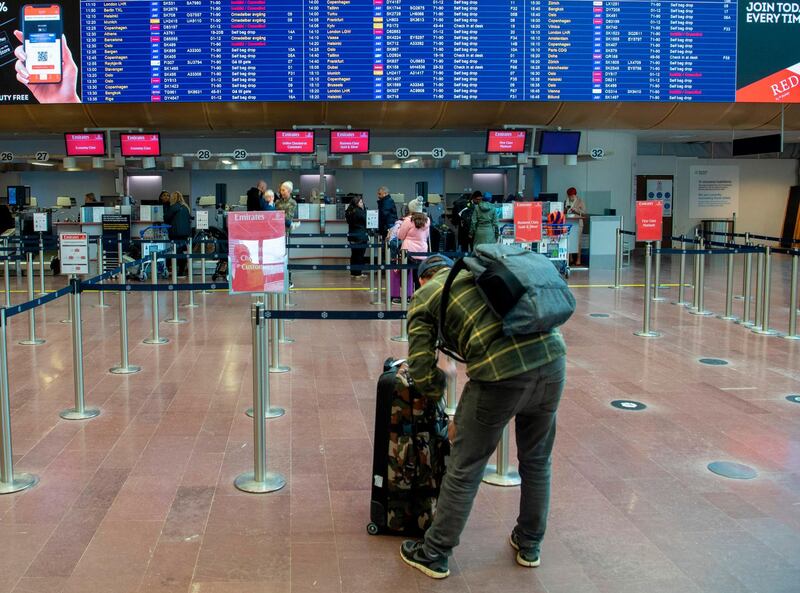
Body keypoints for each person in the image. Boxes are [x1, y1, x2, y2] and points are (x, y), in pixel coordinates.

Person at [399, 255, 567, 579]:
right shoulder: (482, 273)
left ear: (421, 279)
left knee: (465, 465)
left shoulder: (426, 294)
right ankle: (529, 544)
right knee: (537, 460)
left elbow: (420, 365)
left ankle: (434, 552)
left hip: (500, 374)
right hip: (553, 363)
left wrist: (436, 395)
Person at [397, 197, 430, 290]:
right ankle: (418, 297)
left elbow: (400, 236)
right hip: (422, 252)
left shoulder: (408, 220)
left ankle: (404, 297)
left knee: (404, 275)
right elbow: (426, 236)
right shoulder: (427, 220)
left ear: (411, 208)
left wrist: (399, 228)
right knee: (418, 277)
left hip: (408, 251)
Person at [164, 191, 192, 276]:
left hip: (176, 233)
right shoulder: (186, 207)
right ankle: (182, 270)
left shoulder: (173, 207)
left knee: (177, 252)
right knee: (182, 251)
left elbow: (166, 218)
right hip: (185, 233)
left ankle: (180, 272)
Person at [276, 181, 298, 287]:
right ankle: (279, 277)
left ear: (289, 191)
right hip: (276, 232)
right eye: (281, 190)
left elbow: (288, 217)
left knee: (286, 256)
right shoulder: (278, 202)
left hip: (286, 232)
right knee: (278, 255)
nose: (281, 192)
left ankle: (288, 280)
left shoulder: (293, 202)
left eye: (283, 190)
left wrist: (279, 216)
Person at [345, 196, 367, 279]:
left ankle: (353, 272)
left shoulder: (349, 211)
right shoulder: (360, 212)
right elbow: (366, 221)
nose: (362, 204)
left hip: (352, 236)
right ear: (357, 203)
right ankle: (358, 273)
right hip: (360, 236)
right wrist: (364, 209)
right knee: (360, 255)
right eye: (361, 202)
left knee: (354, 254)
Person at [565, 187, 586, 266]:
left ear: (575, 195)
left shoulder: (580, 201)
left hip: (578, 224)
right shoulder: (566, 202)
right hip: (569, 222)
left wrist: (575, 210)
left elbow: (584, 212)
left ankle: (578, 259)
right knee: (569, 241)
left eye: (572, 196)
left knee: (578, 242)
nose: (571, 198)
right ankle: (570, 258)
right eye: (569, 196)